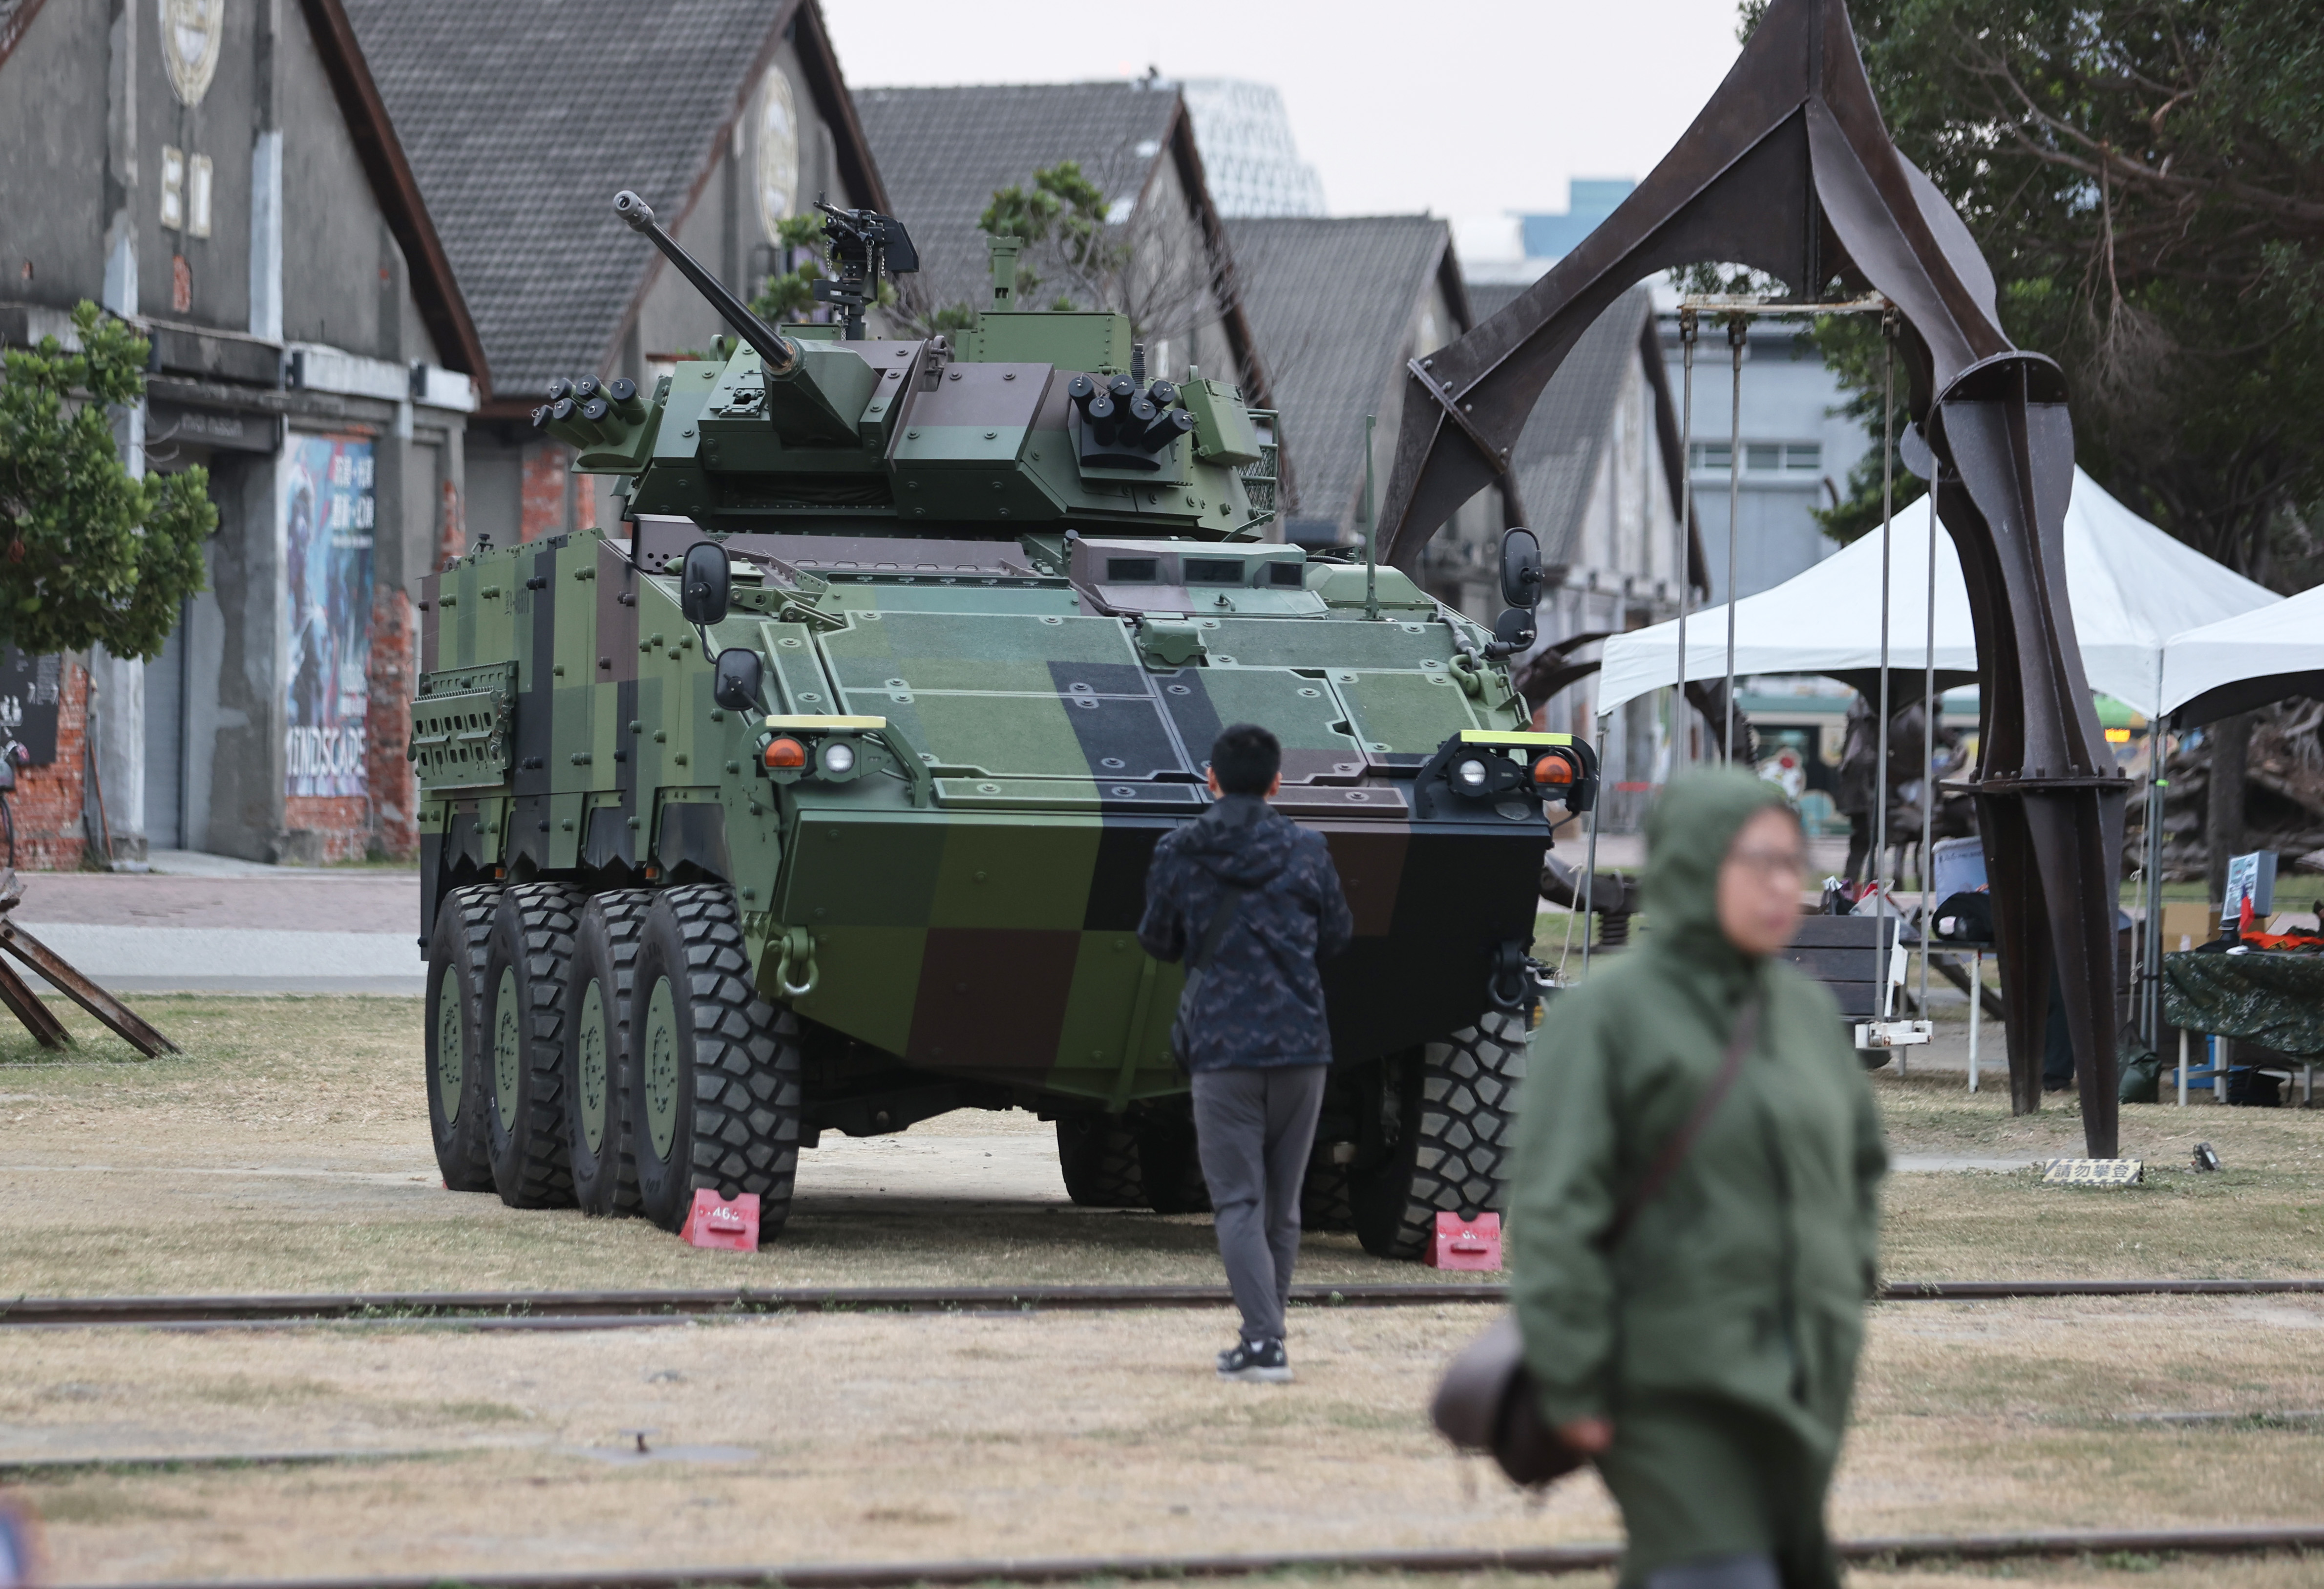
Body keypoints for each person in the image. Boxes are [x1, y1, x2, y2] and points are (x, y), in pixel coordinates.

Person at [1507, 768, 1887, 1589]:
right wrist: (1572, 1378)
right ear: (1691, 865)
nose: (1784, 883)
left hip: (1800, 1378)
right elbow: (1552, 1210)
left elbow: (1859, 1162)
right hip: (1667, 1378)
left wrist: (1843, 1277)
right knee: (1718, 1566)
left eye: (1794, 862)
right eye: (1758, 861)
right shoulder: (1606, 1017)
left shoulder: (1803, 1013)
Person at [1138, 722, 1353, 1383]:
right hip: (1301, 1043)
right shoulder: (1308, 849)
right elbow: (1337, 936)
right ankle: (1267, 1336)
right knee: (1283, 1205)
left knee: (1237, 1202)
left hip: (1223, 1047)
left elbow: (1158, 941)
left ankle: (1263, 1343)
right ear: (1276, 781)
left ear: (1211, 778)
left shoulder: (1179, 849)